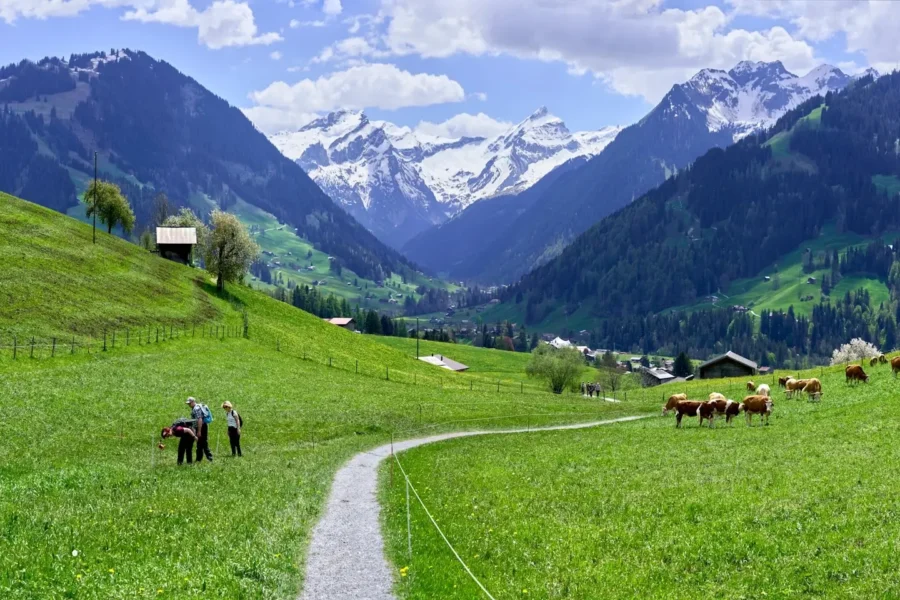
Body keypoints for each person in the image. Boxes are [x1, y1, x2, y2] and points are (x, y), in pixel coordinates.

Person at [187, 397, 213, 462]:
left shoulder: (196, 409)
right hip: (201, 427)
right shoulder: (196, 408)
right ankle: (199, 459)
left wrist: (199, 431)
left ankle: (209, 458)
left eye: (189, 403)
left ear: (193, 402)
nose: (189, 405)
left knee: (203, 443)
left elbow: (200, 419)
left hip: (201, 427)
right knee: (200, 443)